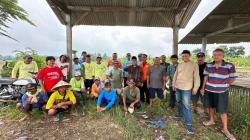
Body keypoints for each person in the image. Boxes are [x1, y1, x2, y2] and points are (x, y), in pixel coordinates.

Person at [201, 48, 237, 140]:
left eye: (219, 55)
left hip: (222, 92)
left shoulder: (229, 66)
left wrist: (225, 84)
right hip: (209, 90)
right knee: (211, 106)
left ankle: (225, 129)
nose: (216, 56)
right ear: (212, 56)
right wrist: (203, 88)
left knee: (223, 110)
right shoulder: (209, 65)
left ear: (222, 56)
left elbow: (232, 78)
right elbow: (206, 77)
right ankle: (212, 120)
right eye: (215, 54)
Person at [172, 50, 200, 134]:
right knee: (179, 101)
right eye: (183, 56)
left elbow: (196, 77)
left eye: (186, 56)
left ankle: (189, 125)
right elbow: (175, 75)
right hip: (178, 86)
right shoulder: (180, 64)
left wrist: (196, 88)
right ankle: (180, 114)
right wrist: (173, 84)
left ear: (189, 56)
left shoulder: (194, 64)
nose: (184, 57)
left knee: (187, 106)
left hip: (187, 88)